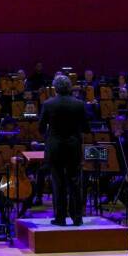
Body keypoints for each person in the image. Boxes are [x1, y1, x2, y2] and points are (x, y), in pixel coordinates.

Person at [39, 74, 88, 226]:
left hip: (55, 148)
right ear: (69, 87)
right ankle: (77, 217)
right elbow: (86, 127)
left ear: (55, 88)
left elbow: (41, 128)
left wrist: (50, 135)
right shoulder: (79, 104)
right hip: (73, 147)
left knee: (58, 183)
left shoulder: (48, 104)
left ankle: (60, 218)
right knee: (75, 182)